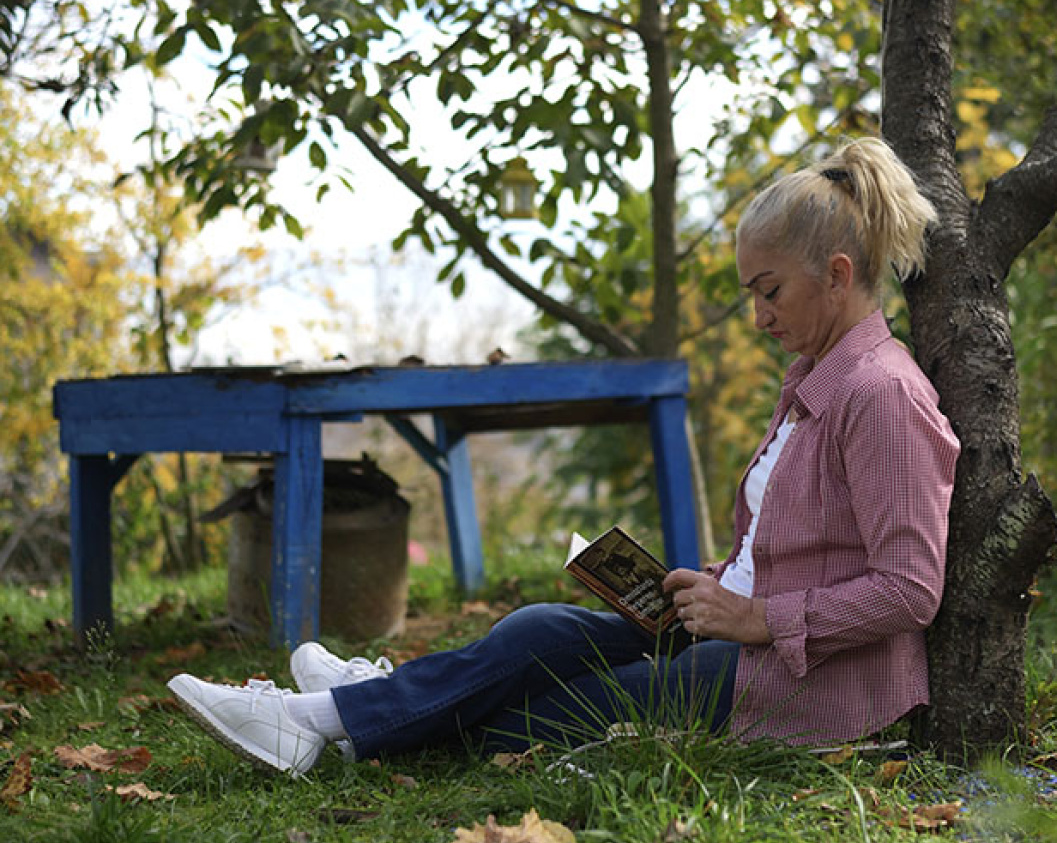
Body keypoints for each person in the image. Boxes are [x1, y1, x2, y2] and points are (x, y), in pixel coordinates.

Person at [167, 137, 960, 776]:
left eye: (769, 290)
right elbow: (797, 549)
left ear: (837, 276)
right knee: (540, 629)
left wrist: (756, 616)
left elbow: (910, 589)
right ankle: (357, 706)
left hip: (805, 682)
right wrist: (714, 586)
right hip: (739, 638)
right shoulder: (814, 380)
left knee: (551, 714)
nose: (757, 316)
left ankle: (328, 718)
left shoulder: (882, 395)